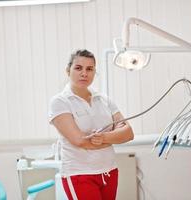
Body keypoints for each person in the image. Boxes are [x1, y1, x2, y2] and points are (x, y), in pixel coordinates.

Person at [48, 49, 134, 200]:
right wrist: (112, 139)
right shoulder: (60, 101)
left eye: (89, 69)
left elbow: (128, 133)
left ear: (95, 72)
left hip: (109, 172)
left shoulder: (103, 99)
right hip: (80, 175)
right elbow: (79, 140)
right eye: (78, 68)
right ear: (68, 70)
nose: (84, 73)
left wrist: (104, 137)